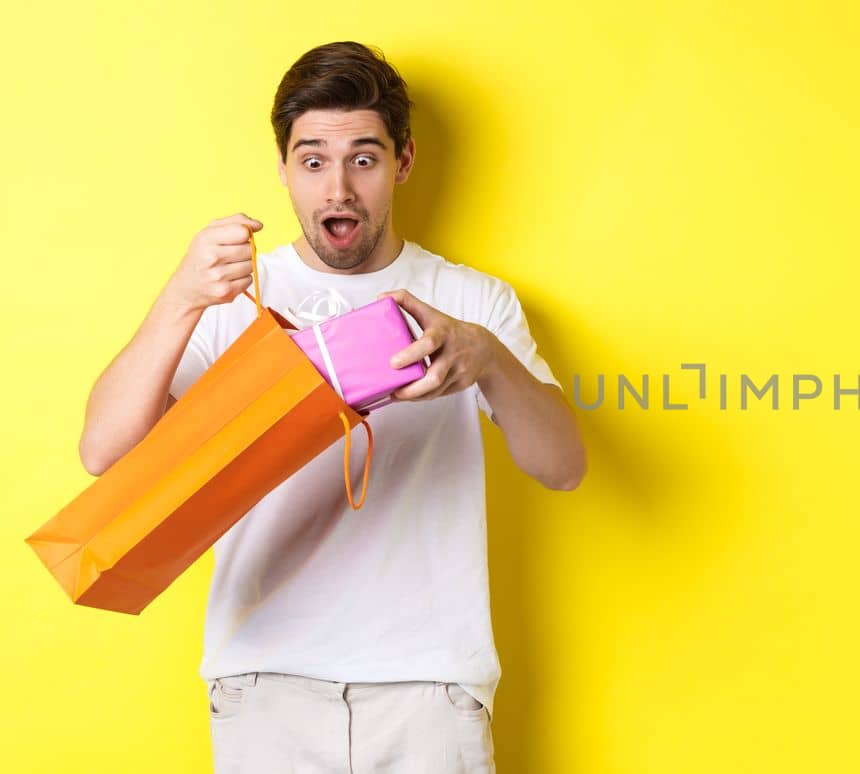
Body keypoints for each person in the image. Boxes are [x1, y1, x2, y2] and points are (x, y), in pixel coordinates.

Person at [75, 41, 586, 773]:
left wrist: (488, 357)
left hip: (429, 684)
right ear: (283, 166)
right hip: (263, 680)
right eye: (313, 161)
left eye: (364, 159)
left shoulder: (475, 301)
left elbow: (564, 467)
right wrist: (182, 297)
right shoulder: (230, 299)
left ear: (403, 162)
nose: (338, 189)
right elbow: (104, 452)